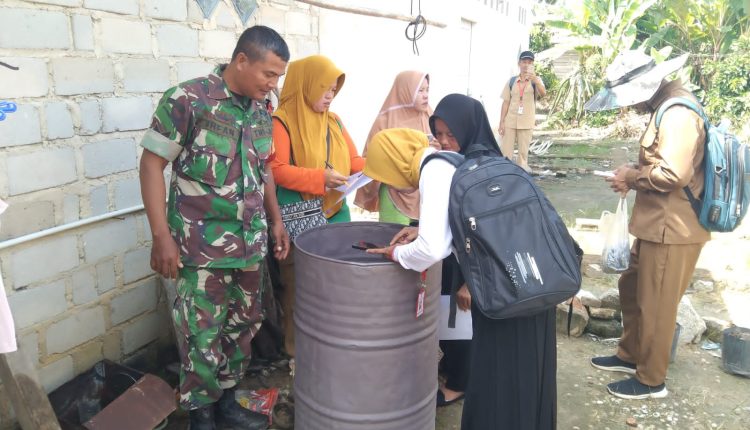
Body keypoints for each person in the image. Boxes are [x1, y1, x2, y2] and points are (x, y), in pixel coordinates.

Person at [366, 94, 557, 430]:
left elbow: (433, 248)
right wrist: (421, 229)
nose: (443, 141)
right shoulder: (471, 163)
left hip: (506, 288)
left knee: (499, 373)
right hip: (527, 284)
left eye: (450, 134)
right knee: (524, 370)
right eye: (438, 134)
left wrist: (396, 253)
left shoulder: (437, 170)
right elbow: (471, 223)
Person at [139, 26, 290, 430]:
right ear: (241, 60)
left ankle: (225, 402)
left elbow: (265, 169)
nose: (273, 84)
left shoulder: (261, 110)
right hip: (199, 247)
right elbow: (152, 165)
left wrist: (276, 220)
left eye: (278, 76)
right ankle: (201, 415)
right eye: (269, 74)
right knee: (200, 332)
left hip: (250, 244)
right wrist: (161, 237)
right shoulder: (188, 100)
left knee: (243, 325)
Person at [585, 51, 708, 399]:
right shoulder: (665, 106)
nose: (629, 105)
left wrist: (632, 176)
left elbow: (674, 174)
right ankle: (630, 355)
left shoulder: (678, 113)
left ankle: (651, 380)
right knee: (633, 288)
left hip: (673, 228)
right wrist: (633, 175)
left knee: (657, 305)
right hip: (656, 224)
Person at [270, 55, 365, 358]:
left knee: (337, 284)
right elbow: (276, 171)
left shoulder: (334, 121)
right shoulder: (282, 121)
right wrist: (319, 178)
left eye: (334, 90)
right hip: (300, 219)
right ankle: (298, 354)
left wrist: (374, 170)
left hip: (336, 214)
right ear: (306, 83)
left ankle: (332, 348)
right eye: (325, 88)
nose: (330, 96)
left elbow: (354, 160)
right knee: (300, 288)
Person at [354, 70, 439, 224]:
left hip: (425, 195)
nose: (426, 95)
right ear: (405, 91)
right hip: (394, 195)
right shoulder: (385, 121)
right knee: (393, 237)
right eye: (420, 90)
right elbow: (370, 160)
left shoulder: (430, 117)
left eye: (427, 90)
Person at [498, 50, 546, 173]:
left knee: (523, 154)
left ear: (533, 65)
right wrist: (501, 122)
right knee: (505, 151)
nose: (526, 65)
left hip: (526, 121)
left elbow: (543, 94)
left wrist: (536, 80)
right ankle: (505, 172)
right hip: (510, 121)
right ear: (519, 63)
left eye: (529, 62)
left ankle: (521, 174)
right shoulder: (512, 81)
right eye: (524, 62)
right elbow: (506, 102)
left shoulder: (536, 81)